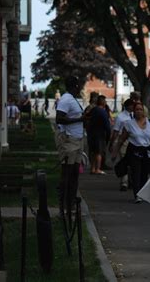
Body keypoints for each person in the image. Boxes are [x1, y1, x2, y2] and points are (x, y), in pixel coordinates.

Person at [112, 102, 150, 203]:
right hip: (134, 150)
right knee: (136, 173)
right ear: (134, 111)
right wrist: (115, 152)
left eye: (141, 109)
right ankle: (137, 194)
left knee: (144, 174)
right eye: (137, 109)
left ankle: (143, 193)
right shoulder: (129, 124)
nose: (139, 111)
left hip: (147, 151)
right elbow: (121, 139)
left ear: (144, 111)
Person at [55, 76, 85, 215]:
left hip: (78, 140)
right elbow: (59, 118)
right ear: (76, 86)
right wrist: (79, 119)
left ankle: (71, 203)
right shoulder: (66, 99)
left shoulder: (72, 99)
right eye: (79, 85)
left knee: (75, 174)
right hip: (70, 141)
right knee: (67, 173)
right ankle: (64, 205)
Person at [109, 98, 134, 191]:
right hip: (123, 140)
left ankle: (131, 181)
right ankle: (124, 182)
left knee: (132, 162)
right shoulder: (121, 117)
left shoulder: (134, 116)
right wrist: (112, 143)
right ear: (128, 106)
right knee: (124, 160)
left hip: (133, 139)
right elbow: (116, 130)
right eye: (132, 105)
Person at [86, 95, 111, 175]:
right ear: (103, 102)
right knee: (99, 152)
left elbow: (86, 117)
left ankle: (92, 168)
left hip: (91, 133)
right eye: (105, 101)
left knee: (93, 152)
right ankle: (98, 169)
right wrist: (109, 135)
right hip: (100, 134)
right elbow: (107, 126)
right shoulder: (102, 112)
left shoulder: (93, 110)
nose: (106, 102)